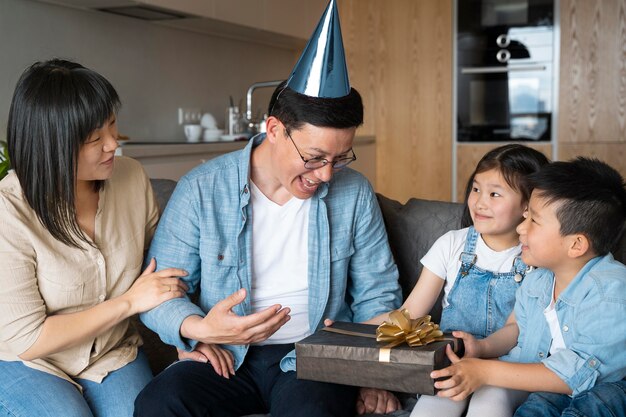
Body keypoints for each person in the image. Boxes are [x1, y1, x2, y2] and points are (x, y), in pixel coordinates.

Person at [133, 2, 401, 416]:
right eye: (314, 158)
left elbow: (376, 294)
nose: (327, 175)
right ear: (274, 130)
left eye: (340, 158)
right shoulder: (201, 190)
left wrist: (371, 373)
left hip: (312, 358)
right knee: (158, 404)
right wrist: (198, 328)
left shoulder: (354, 194)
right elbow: (159, 294)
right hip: (226, 356)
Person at [0, 59, 190, 417]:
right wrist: (128, 303)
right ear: (51, 145)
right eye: (94, 138)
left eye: (113, 125)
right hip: (27, 361)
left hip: (111, 353)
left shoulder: (131, 177)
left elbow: (171, 262)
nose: (112, 144)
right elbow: (28, 339)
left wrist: (190, 331)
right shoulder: (8, 212)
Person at [430, 157, 626, 417]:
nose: (521, 228)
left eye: (534, 220)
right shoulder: (538, 280)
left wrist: (485, 370)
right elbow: (517, 329)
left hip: (600, 392)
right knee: (530, 407)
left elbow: (576, 375)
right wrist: (482, 349)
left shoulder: (611, 290)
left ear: (576, 245)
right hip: (543, 389)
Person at [364, 144, 550, 417]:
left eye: (495, 194)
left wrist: (482, 348)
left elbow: (515, 329)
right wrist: (344, 330)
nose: (480, 202)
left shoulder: (536, 256)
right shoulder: (452, 244)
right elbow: (408, 313)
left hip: (509, 366)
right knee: (435, 404)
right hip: (452, 361)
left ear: (527, 205)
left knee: (489, 403)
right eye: (476, 189)